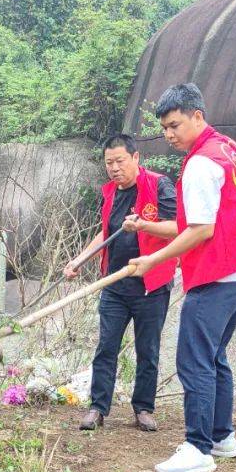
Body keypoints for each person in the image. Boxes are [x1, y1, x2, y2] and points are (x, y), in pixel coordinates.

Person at [129, 83, 236, 472]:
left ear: (197, 117)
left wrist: (152, 256)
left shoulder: (201, 164)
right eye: (165, 128)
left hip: (216, 277)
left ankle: (197, 446)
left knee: (194, 360)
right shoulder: (228, 148)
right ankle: (222, 436)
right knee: (215, 356)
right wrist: (150, 227)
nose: (169, 134)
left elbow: (201, 230)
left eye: (175, 125)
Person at [69, 134, 177, 432]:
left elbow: (177, 227)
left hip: (151, 284)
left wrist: (143, 224)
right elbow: (105, 233)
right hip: (115, 284)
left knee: (148, 349)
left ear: (136, 158)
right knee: (106, 346)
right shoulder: (110, 193)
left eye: (120, 161)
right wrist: (80, 260)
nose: (115, 168)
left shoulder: (159, 185)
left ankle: (143, 408)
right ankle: (97, 408)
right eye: (109, 163)